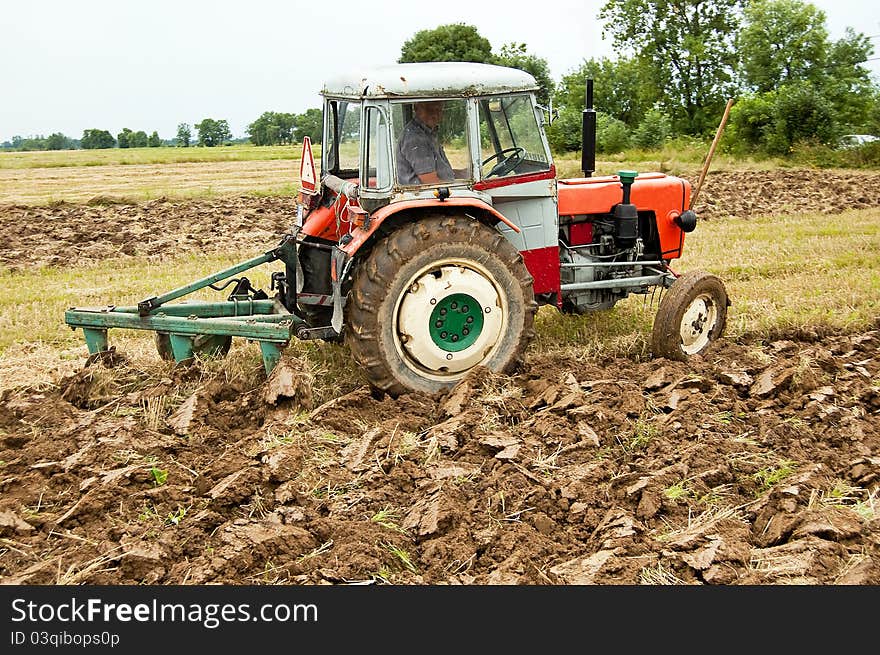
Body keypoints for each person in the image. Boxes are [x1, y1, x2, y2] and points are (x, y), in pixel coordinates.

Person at [396, 101, 461, 185]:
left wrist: (464, 173)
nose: (434, 114)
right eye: (429, 109)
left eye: (438, 109)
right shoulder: (415, 138)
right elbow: (431, 182)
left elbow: (439, 172)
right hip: (423, 195)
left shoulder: (428, 133)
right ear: (416, 109)